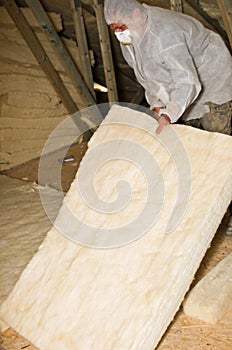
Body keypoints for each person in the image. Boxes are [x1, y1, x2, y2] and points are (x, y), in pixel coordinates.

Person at [104, 0, 232, 135]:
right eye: (113, 28)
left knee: (216, 136)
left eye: (121, 27)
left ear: (135, 13)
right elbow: (145, 75)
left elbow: (186, 81)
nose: (118, 32)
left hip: (212, 78)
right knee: (191, 135)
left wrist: (169, 114)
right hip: (183, 82)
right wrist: (157, 103)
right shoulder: (131, 35)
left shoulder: (165, 34)